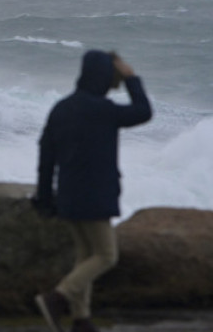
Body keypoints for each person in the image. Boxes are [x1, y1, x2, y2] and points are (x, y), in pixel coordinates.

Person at [32, 50, 152, 332]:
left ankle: (81, 319)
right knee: (107, 256)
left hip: (68, 197)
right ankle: (56, 297)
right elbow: (143, 111)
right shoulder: (103, 110)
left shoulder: (61, 108)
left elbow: (45, 157)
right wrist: (132, 78)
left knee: (85, 256)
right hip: (95, 197)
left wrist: (45, 197)